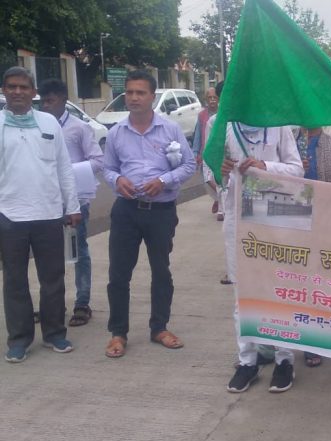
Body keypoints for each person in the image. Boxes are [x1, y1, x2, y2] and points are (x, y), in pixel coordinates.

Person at [102, 70, 196, 358]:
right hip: (126, 211)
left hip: (161, 211)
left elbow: (189, 165)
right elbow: (107, 168)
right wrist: (118, 180)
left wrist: (164, 181)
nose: (133, 98)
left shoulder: (170, 130)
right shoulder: (117, 132)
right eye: (129, 92)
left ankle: (159, 328)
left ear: (152, 97)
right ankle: (118, 333)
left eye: (140, 93)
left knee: (161, 271)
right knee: (119, 274)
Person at [0, 67, 81, 362]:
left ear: (34, 93)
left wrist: (71, 206)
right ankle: (19, 339)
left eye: (23, 87)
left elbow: (63, 168)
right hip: (9, 216)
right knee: (14, 280)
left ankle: (55, 334)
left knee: (53, 278)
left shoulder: (48, 123)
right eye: (11, 87)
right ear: (4, 90)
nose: (17, 92)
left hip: (48, 214)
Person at [218, 120, 304, 393]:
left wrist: (265, 167)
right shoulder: (224, 126)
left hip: (275, 217)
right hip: (238, 220)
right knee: (242, 294)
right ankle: (248, 362)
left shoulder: (279, 127)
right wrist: (219, 173)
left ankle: (284, 360)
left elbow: (296, 168)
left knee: (278, 291)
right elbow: (209, 173)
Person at [38, 78, 104, 327]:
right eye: (42, 101)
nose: (45, 105)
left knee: (77, 252)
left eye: (50, 100)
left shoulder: (79, 128)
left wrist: (66, 172)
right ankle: (51, 305)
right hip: (44, 202)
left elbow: (98, 161)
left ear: (64, 100)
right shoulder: (37, 126)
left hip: (74, 201)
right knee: (48, 254)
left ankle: (82, 303)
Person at [192, 86, 223, 220]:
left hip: (220, 153)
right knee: (208, 179)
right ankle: (219, 198)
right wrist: (195, 153)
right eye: (209, 98)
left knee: (220, 179)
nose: (212, 100)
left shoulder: (223, 113)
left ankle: (221, 203)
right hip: (206, 152)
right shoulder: (202, 115)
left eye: (214, 98)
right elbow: (198, 134)